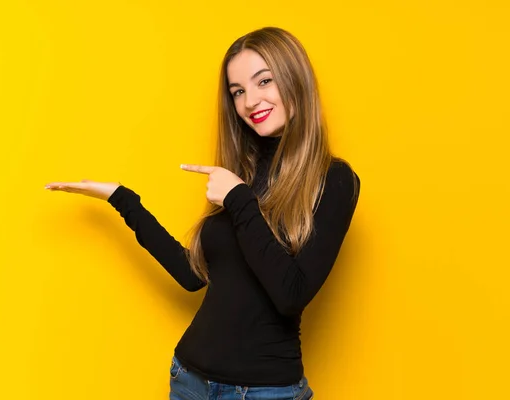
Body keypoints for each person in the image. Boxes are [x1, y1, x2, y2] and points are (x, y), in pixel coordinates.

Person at [45, 26, 360, 400]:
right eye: (238, 91)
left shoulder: (334, 180)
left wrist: (239, 199)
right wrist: (123, 199)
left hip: (265, 392)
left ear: (295, 78)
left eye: (264, 81)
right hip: (189, 381)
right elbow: (193, 275)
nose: (249, 102)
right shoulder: (241, 171)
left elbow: (291, 294)